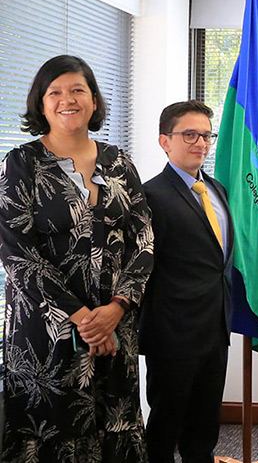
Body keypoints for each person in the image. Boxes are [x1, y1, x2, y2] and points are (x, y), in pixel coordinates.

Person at [0, 55, 153, 461]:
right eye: (55, 92)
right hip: (47, 331)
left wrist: (116, 309)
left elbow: (143, 238)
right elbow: (16, 251)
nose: (67, 100)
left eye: (77, 90)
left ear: (94, 100)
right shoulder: (21, 164)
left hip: (116, 323)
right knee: (54, 428)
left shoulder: (119, 162)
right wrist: (85, 318)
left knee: (115, 422)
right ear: (41, 103)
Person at [140, 100, 233, 462]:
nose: (201, 143)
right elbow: (144, 269)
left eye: (207, 135)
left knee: (204, 427)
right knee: (166, 426)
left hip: (215, 327)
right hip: (173, 333)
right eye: (190, 134)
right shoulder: (150, 196)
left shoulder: (217, 189)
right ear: (165, 141)